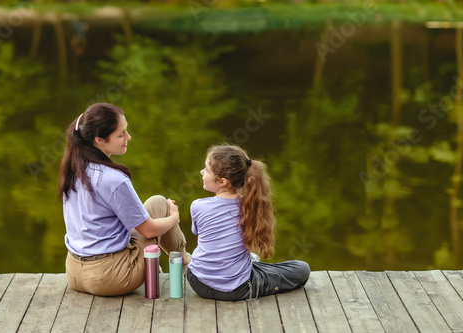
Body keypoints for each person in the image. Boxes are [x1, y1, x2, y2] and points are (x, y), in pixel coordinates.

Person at [58, 102, 190, 296]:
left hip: (74, 273)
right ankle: (186, 262)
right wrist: (174, 218)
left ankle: (178, 262)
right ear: (99, 140)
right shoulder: (113, 179)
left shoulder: (73, 168)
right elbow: (149, 230)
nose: (128, 137)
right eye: (121, 134)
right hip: (110, 278)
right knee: (163, 207)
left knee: (155, 203)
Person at [187, 144, 310, 301]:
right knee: (302, 269)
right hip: (237, 289)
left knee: (251, 259)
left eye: (206, 169)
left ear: (222, 181)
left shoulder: (197, 206)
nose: (201, 172)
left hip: (197, 281)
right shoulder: (249, 208)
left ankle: (249, 262)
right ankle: (250, 263)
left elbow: (201, 235)